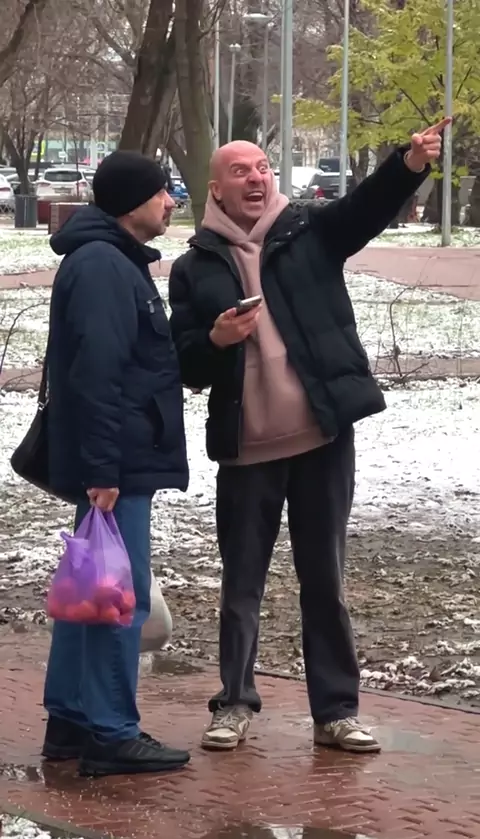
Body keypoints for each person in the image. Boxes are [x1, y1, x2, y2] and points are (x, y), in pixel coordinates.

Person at [169, 120, 449, 752]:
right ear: (215, 190)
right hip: (248, 449)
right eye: (240, 171)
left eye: (262, 168)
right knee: (242, 585)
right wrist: (214, 339)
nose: (256, 178)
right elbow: (184, 361)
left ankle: (336, 712)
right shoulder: (193, 267)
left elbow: (365, 210)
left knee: (325, 581)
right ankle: (234, 703)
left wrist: (407, 164)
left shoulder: (309, 232)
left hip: (322, 439)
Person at [42, 151, 191, 777]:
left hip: (115, 458)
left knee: (90, 588)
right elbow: (98, 374)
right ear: (133, 202)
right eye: (162, 192)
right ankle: (110, 732)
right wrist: (103, 470)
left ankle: (71, 721)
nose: (170, 202)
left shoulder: (107, 259)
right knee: (115, 597)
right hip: (118, 464)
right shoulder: (105, 265)